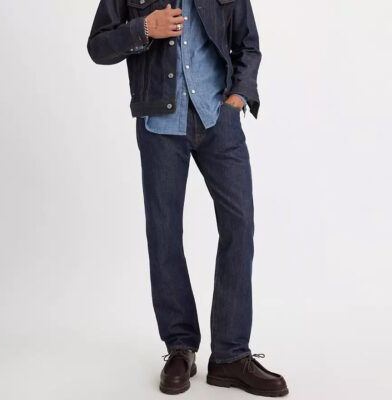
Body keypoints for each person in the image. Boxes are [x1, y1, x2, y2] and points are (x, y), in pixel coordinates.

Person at [87, 0, 288, 396]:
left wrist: (238, 96)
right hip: (161, 124)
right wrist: (145, 28)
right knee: (164, 235)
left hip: (218, 119)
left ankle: (230, 355)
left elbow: (248, 44)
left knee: (239, 225)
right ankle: (180, 347)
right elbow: (98, 46)